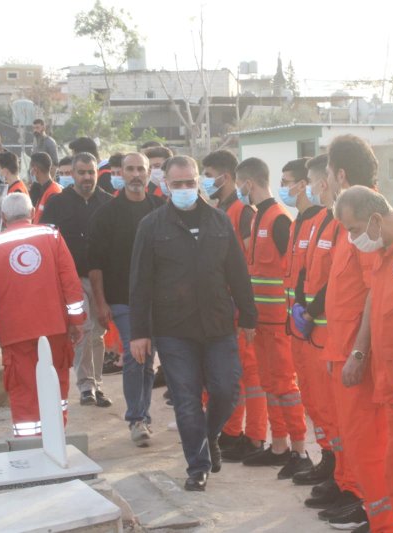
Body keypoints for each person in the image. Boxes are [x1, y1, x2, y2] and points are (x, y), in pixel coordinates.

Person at [129, 155, 257, 491]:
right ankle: (197, 466)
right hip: (174, 330)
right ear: (165, 185)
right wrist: (139, 332)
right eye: (178, 184)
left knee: (227, 389)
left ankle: (209, 435)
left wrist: (248, 316)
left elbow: (237, 272)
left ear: (199, 181)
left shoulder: (219, 221)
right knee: (186, 400)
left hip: (218, 324)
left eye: (190, 182)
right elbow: (140, 282)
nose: (185, 188)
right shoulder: (152, 226)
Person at [336, 185, 393, 533]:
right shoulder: (382, 249)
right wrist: (359, 351)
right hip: (390, 385)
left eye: (354, 229)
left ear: (375, 219)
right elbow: (373, 299)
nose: (352, 238)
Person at [316, 135, 392, 532]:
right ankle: (368, 508)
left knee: (370, 444)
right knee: (356, 442)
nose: (326, 181)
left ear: (341, 174)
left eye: (328, 173)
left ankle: (382, 519)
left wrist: (358, 354)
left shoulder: (366, 223)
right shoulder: (349, 219)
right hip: (341, 350)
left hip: (357, 358)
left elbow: (374, 294)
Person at [0, 193, 85, 437]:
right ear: (33, 212)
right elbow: (71, 283)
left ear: (3, 217)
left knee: (23, 391)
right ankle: (55, 439)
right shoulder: (51, 236)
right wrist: (77, 322)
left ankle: (28, 444)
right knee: (55, 386)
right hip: (54, 328)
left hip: (16, 335)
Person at [234, 157, 312, 479]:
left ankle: (299, 450)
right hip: (261, 322)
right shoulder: (257, 218)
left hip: (279, 322)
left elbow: (294, 271)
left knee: (284, 385)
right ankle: (279, 444)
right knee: (269, 384)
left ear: (247, 184)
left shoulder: (279, 219)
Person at [294, 155, 360, 514]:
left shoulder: (347, 224)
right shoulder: (320, 220)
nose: (308, 187)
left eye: (311, 180)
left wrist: (311, 311)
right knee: (322, 408)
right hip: (316, 334)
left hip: (335, 334)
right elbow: (309, 271)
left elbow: (341, 282)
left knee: (344, 419)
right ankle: (336, 468)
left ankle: (350, 483)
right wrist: (301, 305)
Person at [88, 153, 164, 447]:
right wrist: (100, 302)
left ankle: (143, 414)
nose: (135, 174)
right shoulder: (106, 214)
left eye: (140, 169)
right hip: (122, 299)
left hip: (156, 299)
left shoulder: (160, 209)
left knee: (148, 360)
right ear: (120, 172)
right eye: (129, 169)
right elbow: (95, 264)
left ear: (148, 173)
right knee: (135, 355)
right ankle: (136, 418)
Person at [200, 149, 267, 462]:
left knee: (251, 377)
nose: (205, 182)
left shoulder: (242, 212)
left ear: (225, 177)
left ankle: (254, 437)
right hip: (225, 307)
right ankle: (231, 431)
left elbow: (248, 264)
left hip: (240, 308)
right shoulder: (221, 209)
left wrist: (246, 309)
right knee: (232, 375)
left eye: (209, 175)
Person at [41, 152, 113, 407]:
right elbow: (46, 241)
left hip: (101, 279)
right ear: (72, 174)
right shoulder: (57, 204)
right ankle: (86, 386)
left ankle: (97, 383)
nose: (86, 177)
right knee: (84, 329)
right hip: (72, 279)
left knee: (99, 332)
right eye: (81, 172)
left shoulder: (108, 203)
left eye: (91, 172)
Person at [281, 157, 334, 483]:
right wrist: (301, 307)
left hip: (323, 332)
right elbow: (302, 273)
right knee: (313, 401)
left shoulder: (330, 221)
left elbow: (335, 279)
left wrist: (310, 311)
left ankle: (339, 471)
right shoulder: (307, 222)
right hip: (302, 329)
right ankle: (328, 459)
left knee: (329, 407)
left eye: (287, 181)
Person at [30, 152, 61, 224]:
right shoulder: (43, 189)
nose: (30, 173)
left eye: (30, 169)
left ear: (35, 170)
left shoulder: (53, 193)